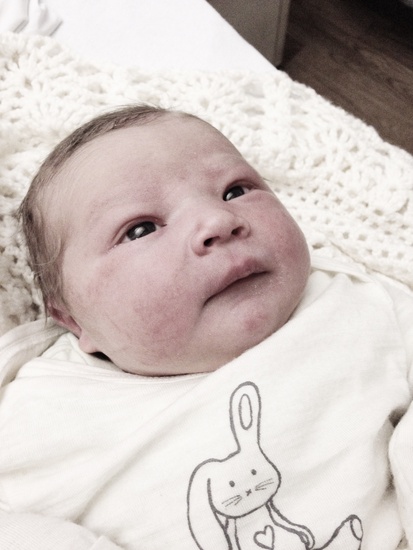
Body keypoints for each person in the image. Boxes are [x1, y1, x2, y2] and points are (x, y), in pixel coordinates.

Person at [0, 104, 412, 550]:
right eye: (140, 229)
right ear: (74, 321)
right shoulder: (45, 405)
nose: (219, 221)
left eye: (235, 191)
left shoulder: (355, 301)